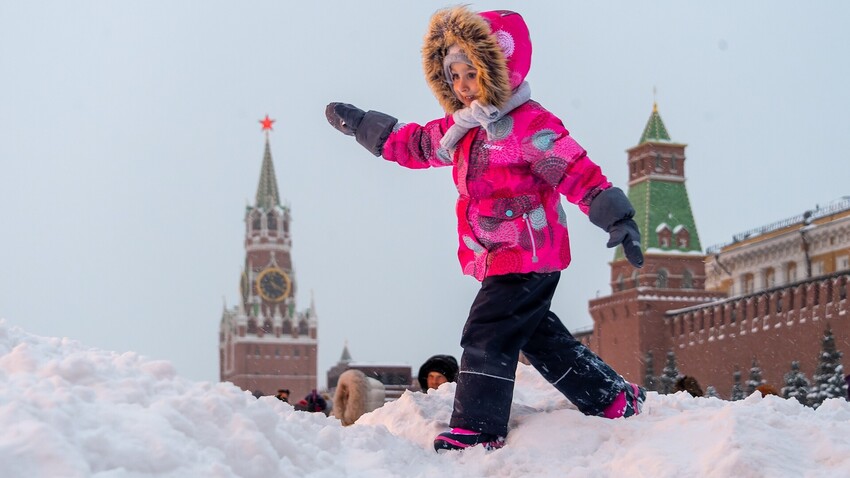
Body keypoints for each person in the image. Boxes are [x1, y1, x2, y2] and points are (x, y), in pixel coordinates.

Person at [325, 6, 645, 452]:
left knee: (486, 331)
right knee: (538, 336)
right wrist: (364, 126)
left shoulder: (531, 125)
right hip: (499, 256)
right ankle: (612, 398)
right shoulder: (463, 129)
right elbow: (416, 143)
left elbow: (575, 169)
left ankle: (478, 428)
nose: (460, 85)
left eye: (469, 73)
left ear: (499, 69)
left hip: (530, 251)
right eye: (452, 76)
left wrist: (616, 215)